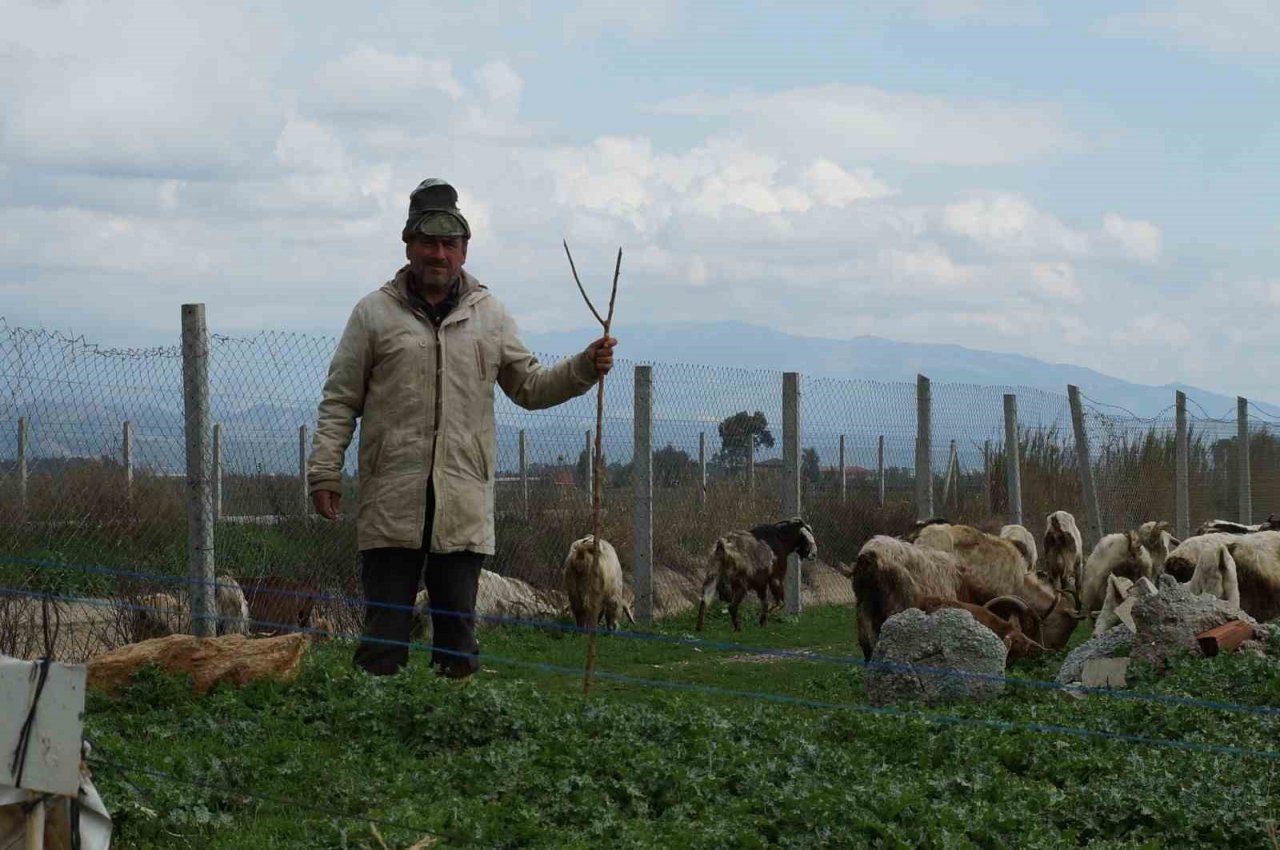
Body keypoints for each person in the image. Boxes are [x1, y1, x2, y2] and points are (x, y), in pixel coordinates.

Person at [306, 178, 615, 678]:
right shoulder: (373, 315)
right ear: (408, 245)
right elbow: (340, 400)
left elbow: (530, 386)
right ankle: (373, 736)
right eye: (428, 242)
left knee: (457, 639)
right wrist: (324, 473)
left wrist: (583, 366)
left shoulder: (489, 315)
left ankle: (454, 739)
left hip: (462, 501)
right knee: (383, 637)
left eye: (450, 244)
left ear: (464, 250)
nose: (439, 253)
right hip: (391, 499)